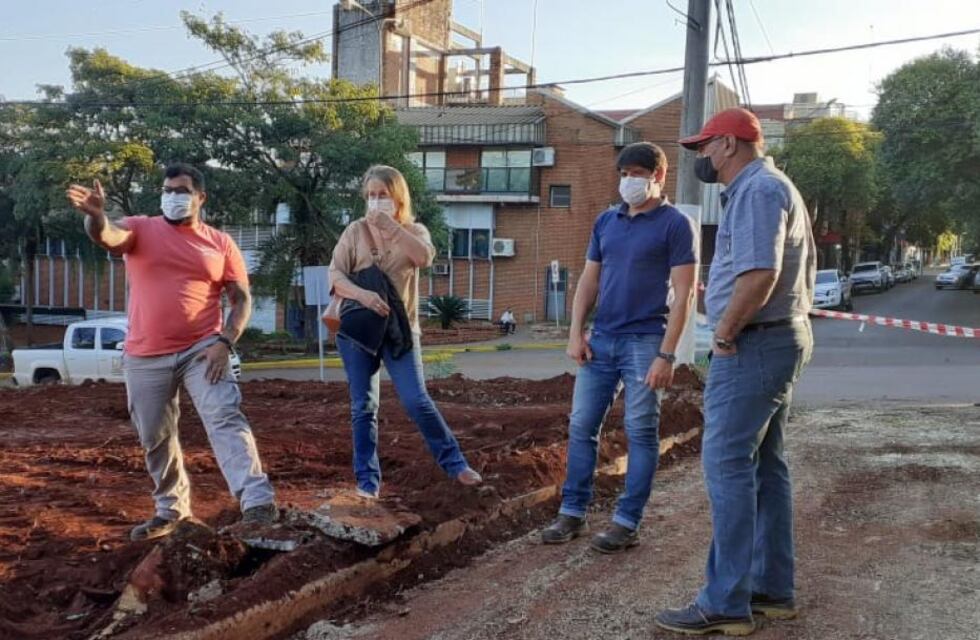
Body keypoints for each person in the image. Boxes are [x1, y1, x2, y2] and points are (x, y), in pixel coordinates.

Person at [655, 108, 816, 636]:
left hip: (753, 345)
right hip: (774, 342)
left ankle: (725, 601)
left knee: (727, 468)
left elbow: (759, 274)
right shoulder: (770, 186)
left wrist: (723, 334)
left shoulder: (757, 190)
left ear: (728, 144)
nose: (701, 155)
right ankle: (772, 589)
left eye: (704, 146)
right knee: (767, 468)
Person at [66, 163, 278, 541]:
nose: (172, 197)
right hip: (145, 355)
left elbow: (241, 298)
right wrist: (97, 217)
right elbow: (109, 237)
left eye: (181, 191)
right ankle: (171, 511)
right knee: (155, 436)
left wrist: (225, 341)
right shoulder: (140, 227)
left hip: (203, 349)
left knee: (224, 415)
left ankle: (257, 503)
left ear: (200, 197)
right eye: (167, 190)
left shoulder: (220, 243)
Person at [540, 142, 698, 553]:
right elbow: (589, 281)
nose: (629, 181)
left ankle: (627, 521)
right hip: (602, 340)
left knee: (641, 431)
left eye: (637, 174)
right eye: (624, 173)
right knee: (581, 426)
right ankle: (572, 513)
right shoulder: (606, 222)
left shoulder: (675, 225)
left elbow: (683, 297)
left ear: (658, 176)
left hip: (646, 341)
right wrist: (576, 332)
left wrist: (667, 354)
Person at [329, 165, 482, 499]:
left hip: (400, 330)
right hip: (358, 332)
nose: (375, 201)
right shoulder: (354, 231)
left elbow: (424, 258)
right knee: (363, 406)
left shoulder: (415, 230)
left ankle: (455, 464)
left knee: (416, 400)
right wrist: (364, 295)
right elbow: (335, 275)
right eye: (370, 195)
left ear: (397, 197)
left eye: (382, 195)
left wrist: (392, 229)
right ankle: (367, 482)